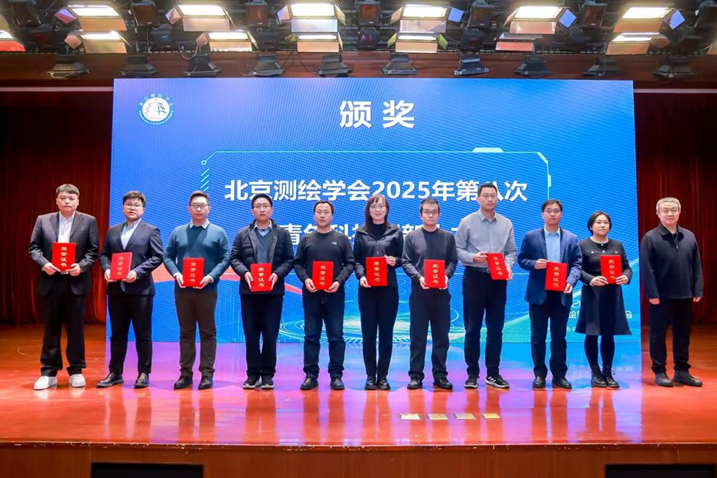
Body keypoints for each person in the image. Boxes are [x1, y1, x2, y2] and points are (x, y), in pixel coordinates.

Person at [29, 184, 100, 390]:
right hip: (51, 280)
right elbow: (34, 248)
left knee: (75, 329)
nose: (67, 201)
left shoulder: (89, 221)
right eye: (63, 198)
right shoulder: (43, 220)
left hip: (75, 282)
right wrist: (44, 264)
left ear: (78, 201)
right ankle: (48, 372)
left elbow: (93, 250)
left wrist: (81, 266)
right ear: (56, 201)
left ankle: (76, 370)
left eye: (71, 198)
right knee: (50, 329)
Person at [163, 191, 230, 391]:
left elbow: (225, 259)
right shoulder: (178, 231)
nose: (199, 208)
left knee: (208, 332)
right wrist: (176, 274)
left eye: (202, 205)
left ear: (209, 208)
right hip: (183, 290)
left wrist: (211, 276)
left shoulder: (218, 232)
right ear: (189, 208)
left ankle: (207, 374)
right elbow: (167, 256)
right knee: (186, 332)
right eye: (195, 205)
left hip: (207, 289)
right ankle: (185, 374)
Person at [98, 191, 164, 389]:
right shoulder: (113, 231)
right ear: (123, 207)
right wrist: (107, 269)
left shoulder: (151, 230)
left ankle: (144, 373)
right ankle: (115, 373)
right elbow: (104, 255)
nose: (132, 207)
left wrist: (137, 272)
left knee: (143, 334)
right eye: (129, 204)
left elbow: (157, 256)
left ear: (143, 209)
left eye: (136, 205)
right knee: (117, 334)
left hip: (140, 290)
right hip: (116, 290)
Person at [229, 193, 294, 390]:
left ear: (272, 209)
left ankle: (267, 375)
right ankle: (252, 375)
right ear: (252, 211)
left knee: (270, 335)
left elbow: (289, 259)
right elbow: (234, 258)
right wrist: (245, 273)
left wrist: (277, 274)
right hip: (249, 292)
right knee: (251, 335)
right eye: (258, 206)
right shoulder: (242, 233)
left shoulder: (282, 233)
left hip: (273, 292)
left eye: (265, 206)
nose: (262, 209)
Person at [455, 182, 517, 390]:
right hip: (474, 278)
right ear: (478, 198)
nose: (490, 199)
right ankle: (472, 374)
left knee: (496, 328)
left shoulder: (506, 223)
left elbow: (511, 252)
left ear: (497, 199)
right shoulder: (467, 222)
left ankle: (493, 373)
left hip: (498, 280)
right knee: (472, 328)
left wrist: (507, 266)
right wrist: (473, 257)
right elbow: (457, 249)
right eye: (486, 195)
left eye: (493, 196)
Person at [518, 199, 582, 390]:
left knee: (559, 337)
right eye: (548, 210)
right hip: (539, 294)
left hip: (561, 293)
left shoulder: (571, 238)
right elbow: (521, 260)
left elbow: (577, 264)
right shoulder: (531, 236)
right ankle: (539, 374)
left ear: (561, 214)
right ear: (542, 214)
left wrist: (571, 281)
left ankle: (559, 375)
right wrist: (534, 264)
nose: (552, 214)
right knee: (537, 337)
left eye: (556, 211)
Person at [640, 197, 703, 388]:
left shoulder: (689, 236)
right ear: (657, 213)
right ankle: (660, 371)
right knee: (658, 335)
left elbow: (696, 265)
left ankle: (682, 371)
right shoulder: (650, 238)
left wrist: (697, 289)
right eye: (665, 210)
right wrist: (652, 293)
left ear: (679, 212)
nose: (670, 213)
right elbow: (647, 269)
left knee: (683, 334)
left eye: (673, 210)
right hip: (661, 296)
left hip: (685, 294)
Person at [293, 201, 355, 391]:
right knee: (311, 335)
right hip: (311, 295)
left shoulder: (341, 239)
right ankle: (310, 375)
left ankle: (336, 375)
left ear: (332, 216)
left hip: (334, 295)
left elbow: (350, 264)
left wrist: (338, 281)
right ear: (314, 215)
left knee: (336, 336)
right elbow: (298, 264)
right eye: (319, 212)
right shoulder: (306, 240)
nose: (322, 215)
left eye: (326, 212)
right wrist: (306, 279)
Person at [402, 197, 458, 391]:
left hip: (441, 296)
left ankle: (440, 375)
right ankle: (415, 376)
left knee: (441, 337)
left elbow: (452, 261)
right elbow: (406, 261)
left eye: (434, 212)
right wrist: (419, 277)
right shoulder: (412, 237)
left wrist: (446, 276)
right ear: (421, 215)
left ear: (439, 214)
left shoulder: (448, 237)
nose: (430, 215)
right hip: (419, 295)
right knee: (417, 337)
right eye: (427, 212)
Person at [353, 194, 404, 391]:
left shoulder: (395, 232)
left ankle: (382, 376)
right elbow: (356, 260)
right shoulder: (361, 233)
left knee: (386, 334)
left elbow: (403, 258)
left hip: (388, 290)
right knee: (368, 334)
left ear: (386, 209)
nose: (377, 209)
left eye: (381, 206)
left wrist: (394, 261)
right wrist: (361, 276)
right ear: (368, 210)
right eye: (374, 206)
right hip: (367, 289)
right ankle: (369, 376)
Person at [576, 211, 631, 389]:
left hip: (612, 295)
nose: (602, 225)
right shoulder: (583, 245)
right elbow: (577, 269)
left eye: (605, 222)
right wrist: (590, 279)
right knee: (592, 333)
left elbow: (627, 267)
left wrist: (626, 276)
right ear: (591, 226)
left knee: (609, 334)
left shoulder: (617, 244)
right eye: (598, 222)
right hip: (593, 294)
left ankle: (607, 372)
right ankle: (595, 372)